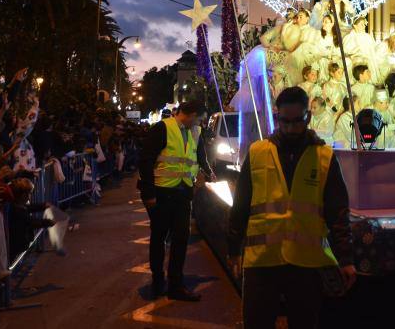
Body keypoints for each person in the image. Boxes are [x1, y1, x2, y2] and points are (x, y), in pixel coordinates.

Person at [227, 86, 356, 328]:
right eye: (284, 121)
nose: (290, 128)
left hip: (306, 264)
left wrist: (345, 258)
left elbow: (337, 212)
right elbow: (241, 204)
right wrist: (233, 247)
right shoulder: (257, 153)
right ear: (277, 117)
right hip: (262, 262)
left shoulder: (324, 156)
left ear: (307, 117)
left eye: (297, 121)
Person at [138, 100, 213, 301]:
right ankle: (157, 280)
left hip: (183, 193)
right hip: (162, 193)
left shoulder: (196, 131)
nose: (201, 123)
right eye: (200, 118)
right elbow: (145, 160)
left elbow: (199, 156)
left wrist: (207, 171)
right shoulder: (162, 128)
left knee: (180, 240)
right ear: (191, 114)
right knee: (159, 238)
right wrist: (148, 193)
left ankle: (176, 285)